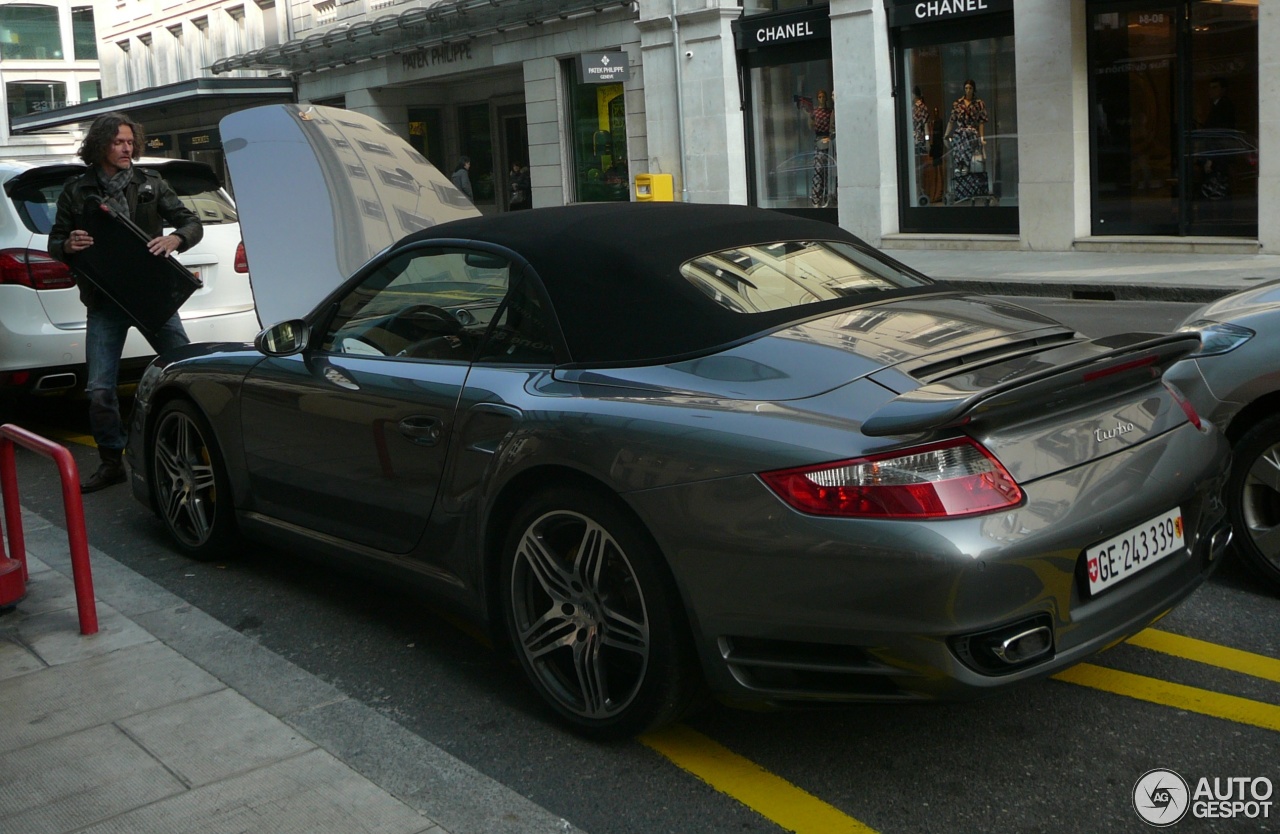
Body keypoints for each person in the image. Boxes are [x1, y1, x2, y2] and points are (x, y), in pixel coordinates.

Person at [48, 112, 203, 493]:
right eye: (119, 142)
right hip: (105, 301)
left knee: (187, 373)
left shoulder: (150, 182)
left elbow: (191, 222)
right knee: (100, 389)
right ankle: (110, 461)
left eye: (130, 142)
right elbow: (56, 242)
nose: (127, 148)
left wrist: (176, 240)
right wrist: (68, 246)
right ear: (101, 145)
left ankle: (200, 445)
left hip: (152, 296)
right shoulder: (77, 190)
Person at [944, 79, 987, 177]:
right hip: (960, 131)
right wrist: (946, 135)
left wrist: (981, 137)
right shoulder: (958, 103)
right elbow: (952, 120)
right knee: (958, 138)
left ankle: (965, 164)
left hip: (972, 131)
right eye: (966, 88)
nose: (968, 90)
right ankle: (960, 164)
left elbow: (981, 122)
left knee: (967, 138)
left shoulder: (979, 103)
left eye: (970, 88)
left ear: (973, 89)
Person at [807, 89, 835, 208]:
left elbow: (832, 126)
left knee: (828, 171)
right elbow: (811, 126)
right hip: (819, 141)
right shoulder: (815, 113)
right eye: (819, 97)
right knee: (818, 170)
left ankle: (826, 198)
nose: (822, 99)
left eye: (824, 97)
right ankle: (816, 198)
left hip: (829, 141)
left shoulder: (830, 112)